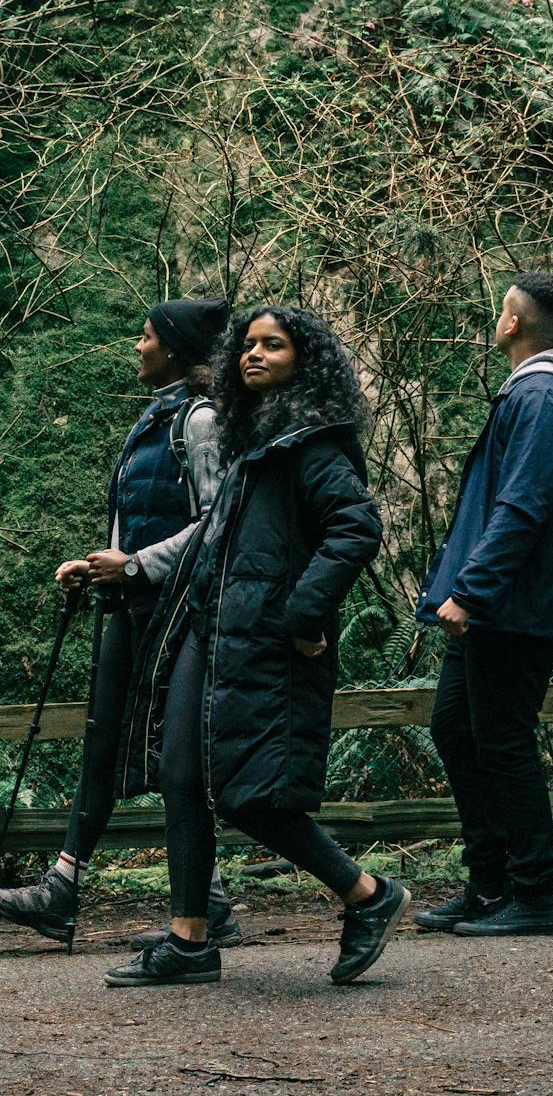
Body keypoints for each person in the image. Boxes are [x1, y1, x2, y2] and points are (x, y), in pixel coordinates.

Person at [103, 305, 405, 988]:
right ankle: (188, 940)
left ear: (306, 359)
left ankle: (367, 893)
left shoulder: (312, 441)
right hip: (209, 633)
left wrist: (302, 613)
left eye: (274, 344)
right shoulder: (251, 437)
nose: (255, 354)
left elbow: (355, 527)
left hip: (266, 646)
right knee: (181, 775)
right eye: (247, 345)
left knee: (249, 796)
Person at [0, 298, 239, 948]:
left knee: (178, 759)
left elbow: (216, 524)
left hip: (179, 614)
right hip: (133, 606)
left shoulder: (201, 421)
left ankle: (203, 899)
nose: (137, 346)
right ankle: (67, 888)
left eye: (146, 338)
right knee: (101, 737)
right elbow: (139, 517)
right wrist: (97, 566)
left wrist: (137, 564)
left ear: (174, 349)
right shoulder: (156, 417)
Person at [413, 272, 553, 938]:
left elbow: (523, 505)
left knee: (502, 737)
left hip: (515, 604)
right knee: (457, 728)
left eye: (500, 310)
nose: (496, 319)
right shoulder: (533, 390)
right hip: (500, 600)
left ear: (513, 323)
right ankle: (488, 883)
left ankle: (534, 893)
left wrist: (473, 591)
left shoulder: (546, 397)